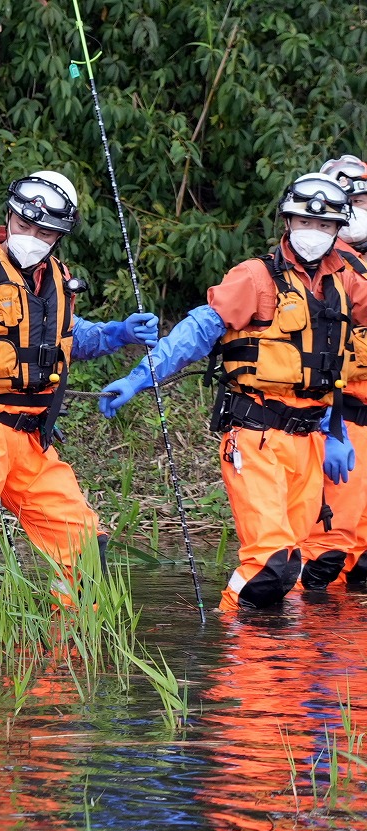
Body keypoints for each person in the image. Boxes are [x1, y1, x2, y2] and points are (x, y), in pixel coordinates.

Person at [100, 172, 367, 610]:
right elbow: (196, 331)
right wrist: (139, 377)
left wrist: (336, 430)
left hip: (310, 441)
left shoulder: (344, 282)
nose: (313, 234)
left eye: (323, 226)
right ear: (287, 222)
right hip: (256, 434)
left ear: (338, 232)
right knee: (271, 566)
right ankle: (235, 648)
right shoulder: (256, 277)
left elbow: (335, 364)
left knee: (296, 570)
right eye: (304, 222)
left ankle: (283, 671)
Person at [0, 170, 160, 604]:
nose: (32, 236)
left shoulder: (56, 279)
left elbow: (68, 337)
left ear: (58, 235)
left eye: (44, 231)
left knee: (86, 552)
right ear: (9, 218)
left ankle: (67, 655)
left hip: (32, 437)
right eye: (25, 225)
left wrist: (119, 333)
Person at [300, 156, 367, 588]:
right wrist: (331, 428)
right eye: (355, 199)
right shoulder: (325, 272)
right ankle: (300, 649)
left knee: (359, 560)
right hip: (337, 415)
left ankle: (344, 649)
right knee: (327, 554)